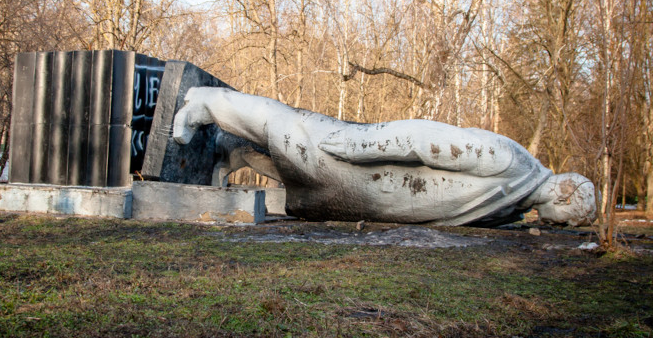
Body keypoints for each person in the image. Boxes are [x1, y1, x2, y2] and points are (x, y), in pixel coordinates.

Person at [173, 87, 596, 227]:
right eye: (571, 220)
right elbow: (428, 140)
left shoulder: (516, 204)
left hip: (380, 199)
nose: (563, 227)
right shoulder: (510, 162)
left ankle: (236, 154)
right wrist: (363, 145)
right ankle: (206, 103)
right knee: (292, 137)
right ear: (563, 197)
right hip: (376, 168)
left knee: (306, 184)